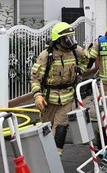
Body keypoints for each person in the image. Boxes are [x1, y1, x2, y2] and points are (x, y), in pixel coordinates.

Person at [30, 21, 88, 156]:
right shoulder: (46, 55)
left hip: (67, 97)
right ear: (58, 39)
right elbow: (35, 78)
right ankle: (44, 155)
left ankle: (56, 157)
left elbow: (86, 60)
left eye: (70, 37)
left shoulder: (76, 51)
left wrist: (79, 71)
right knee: (47, 128)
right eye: (66, 38)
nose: (69, 41)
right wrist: (37, 95)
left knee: (61, 127)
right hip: (48, 100)